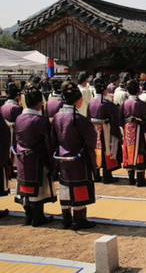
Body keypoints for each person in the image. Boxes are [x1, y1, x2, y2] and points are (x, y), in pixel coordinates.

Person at [52, 81, 98, 230]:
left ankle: (66, 217)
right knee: (79, 186)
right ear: (78, 100)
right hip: (78, 157)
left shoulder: (57, 117)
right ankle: (79, 219)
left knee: (64, 186)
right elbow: (91, 139)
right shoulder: (80, 119)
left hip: (61, 155)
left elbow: (53, 137)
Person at [14, 85, 55, 225]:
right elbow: (48, 142)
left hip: (21, 156)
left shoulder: (19, 118)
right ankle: (38, 216)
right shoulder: (40, 121)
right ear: (39, 103)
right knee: (39, 185)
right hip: (37, 157)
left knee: (24, 182)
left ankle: (28, 215)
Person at [120, 79, 146, 186]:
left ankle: (131, 178)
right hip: (140, 131)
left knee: (129, 151)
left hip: (128, 130)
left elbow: (120, 119)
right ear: (138, 90)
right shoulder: (142, 104)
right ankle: (140, 179)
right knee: (140, 151)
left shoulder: (124, 103)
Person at [87, 77, 122, 184]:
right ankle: (107, 175)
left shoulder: (91, 102)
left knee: (96, 151)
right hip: (105, 130)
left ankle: (96, 175)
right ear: (104, 90)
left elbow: (87, 117)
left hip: (94, 130)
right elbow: (115, 118)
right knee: (107, 150)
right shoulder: (106, 103)